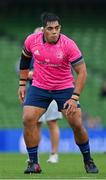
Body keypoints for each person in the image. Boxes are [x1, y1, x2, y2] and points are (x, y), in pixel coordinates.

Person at [18, 12, 99, 174]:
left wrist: (74, 97)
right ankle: (33, 163)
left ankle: (88, 160)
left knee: (76, 124)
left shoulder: (68, 44)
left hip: (64, 87)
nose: (54, 32)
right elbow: (25, 58)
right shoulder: (31, 40)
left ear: (60, 28)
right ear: (43, 30)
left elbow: (82, 72)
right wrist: (22, 83)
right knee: (28, 119)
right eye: (50, 28)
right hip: (40, 87)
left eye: (57, 28)